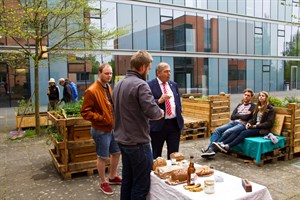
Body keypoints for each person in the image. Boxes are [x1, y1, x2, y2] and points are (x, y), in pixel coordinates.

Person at [113, 50, 164, 200]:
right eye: (148, 68)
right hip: (138, 143)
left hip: (122, 141)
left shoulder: (119, 84)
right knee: (141, 185)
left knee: (127, 181)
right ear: (142, 67)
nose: (148, 71)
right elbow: (152, 111)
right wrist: (160, 112)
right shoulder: (141, 84)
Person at [81, 63, 122, 195]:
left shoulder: (108, 87)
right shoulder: (91, 90)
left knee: (116, 153)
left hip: (112, 128)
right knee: (102, 156)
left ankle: (113, 176)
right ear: (99, 73)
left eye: (110, 73)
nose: (109, 76)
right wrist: (102, 118)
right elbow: (85, 112)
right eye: (106, 73)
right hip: (100, 130)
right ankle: (103, 182)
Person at [201, 88, 255, 158]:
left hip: (242, 124)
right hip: (233, 122)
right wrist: (241, 115)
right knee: (217, 130)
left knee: (228, 131)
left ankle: (211, 149)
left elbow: (246, 118)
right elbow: (232, 117)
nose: (246, 96)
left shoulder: (253, 106)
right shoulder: (239, 105)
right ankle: (210, 149)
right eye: (245, 95)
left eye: (248, 95)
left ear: (251, 97)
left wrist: (238, 115)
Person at [147, 62, 184, 160]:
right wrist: (158, 101)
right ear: (158, 73)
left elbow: (177, 102)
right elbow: (147, 103)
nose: (169, 74)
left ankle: (172, 172)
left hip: (174, 124)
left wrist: (179, 113)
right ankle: (156, 173)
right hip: (158, 124)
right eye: (166, 71)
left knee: (174, 154)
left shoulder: (173, 84)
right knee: (156, 154)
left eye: (170, 71)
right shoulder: (149, 85)